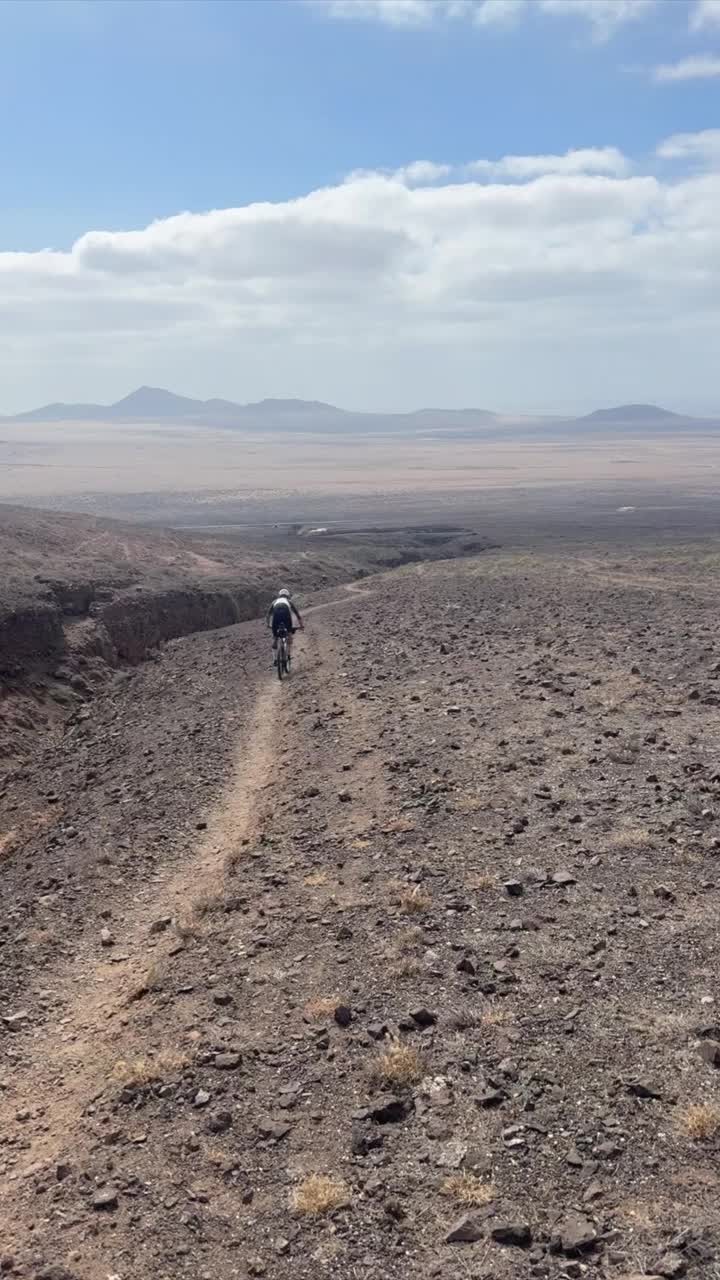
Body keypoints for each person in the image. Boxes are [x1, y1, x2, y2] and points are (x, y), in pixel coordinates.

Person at [266, 588, 304, 661]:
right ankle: (288, 655)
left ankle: (275, 659)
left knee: (275, 637)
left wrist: (268, 624)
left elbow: (268, 614)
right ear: (287, 595)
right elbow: (297, 614)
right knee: (289, 634)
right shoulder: (289, 601)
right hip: (286, 613)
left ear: (279, 595)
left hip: (276, 615)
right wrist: (301, 625)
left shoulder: (274, 601)